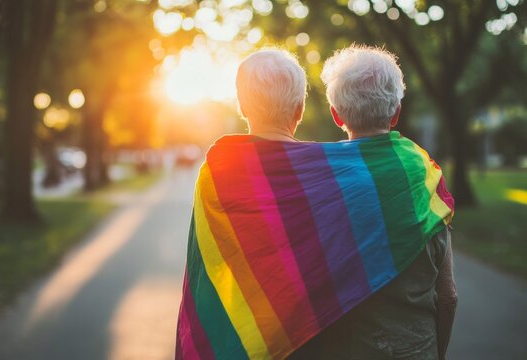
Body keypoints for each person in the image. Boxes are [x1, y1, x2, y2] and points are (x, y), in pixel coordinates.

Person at [175, 47, 455, 360]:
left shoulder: (228, 173)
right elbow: (447, 295)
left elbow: (210, 270)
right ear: (300, 109)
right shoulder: (414, 173)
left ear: (336, 115)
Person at [289, 45, 458, 359]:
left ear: (336, 115)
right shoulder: (425, 179)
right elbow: (447, 297)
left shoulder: (318, 183)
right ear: (396, 113)